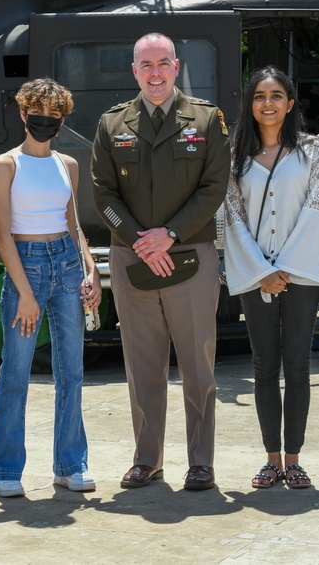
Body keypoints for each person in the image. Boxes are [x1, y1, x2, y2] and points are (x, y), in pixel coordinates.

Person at [91, 32, 230, 491]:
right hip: (133, 257)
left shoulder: (207, 120)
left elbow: (214, 189)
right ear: (134, 71)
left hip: (191, 254)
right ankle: (147, 458)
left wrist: (168, 235)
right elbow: (103, 193)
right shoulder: (113, 124)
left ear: (176, 66)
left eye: (163, 63)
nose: (155, 72)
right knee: (143, 364)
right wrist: (139, 239)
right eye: (145, 64)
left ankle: (201, 462)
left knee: (198, 364)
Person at [0, 78, 102, 497]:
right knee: (15, 373)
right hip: (25, 265)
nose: (46, 121)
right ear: (22, 114)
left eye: (54, 116)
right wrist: (26, 293)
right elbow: (2, 233)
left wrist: (91, 270)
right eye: (38, 113)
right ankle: (3, 470)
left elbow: (73, 225)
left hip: (67, 264)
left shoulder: (67, 165)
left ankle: (71, 463)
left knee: (71, 372)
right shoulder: (5, 164)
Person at [223, 67, 319, 490]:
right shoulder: (236, 154)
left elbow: (317, 208)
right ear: (250, 105)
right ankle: (270, 460)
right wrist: (262, 271)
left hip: (299, 273)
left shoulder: (313, 151)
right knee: (265, 366)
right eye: (259, 96)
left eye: (276, 95)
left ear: (290, 103)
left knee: (298, 365)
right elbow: (231, 214)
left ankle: (294, 459)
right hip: (256, 275)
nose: (268, 103)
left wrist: (284, 267)